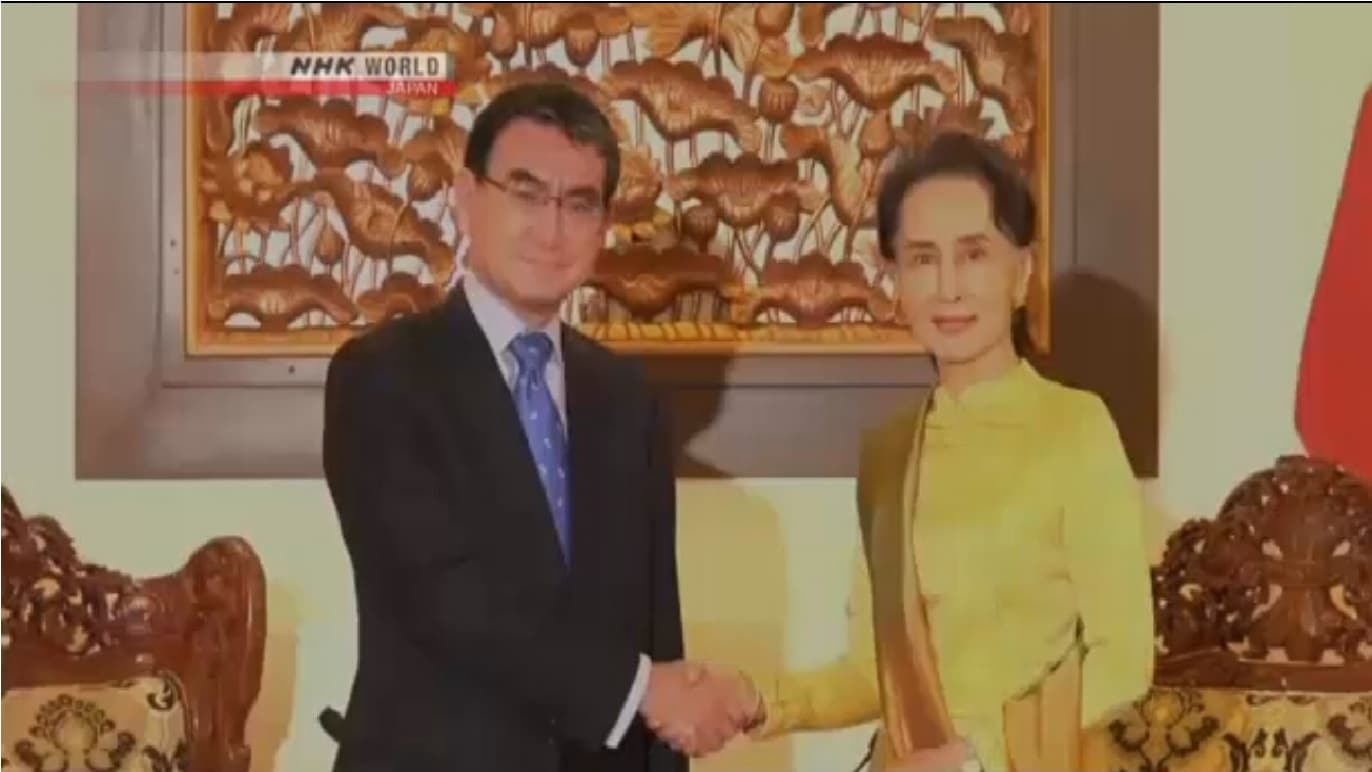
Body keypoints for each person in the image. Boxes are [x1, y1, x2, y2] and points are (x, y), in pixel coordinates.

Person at [322, 81, 748, 772]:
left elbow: (654, 629)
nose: (552, 230)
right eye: (526, 194)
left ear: (603, 226)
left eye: (579, 204)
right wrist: (641, 690)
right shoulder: (383, 377)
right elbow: (445, 597)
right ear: (467, 198)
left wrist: (666, 712)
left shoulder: (629, 399)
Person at [708, 132, 1157, 771]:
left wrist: (978, 759)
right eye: (922, 259)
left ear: (1022, 273)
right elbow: (871, 673)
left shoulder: (1075, 429)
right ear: (894, 281)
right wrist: (762, 701)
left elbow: (1124, 660)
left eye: (973, 254)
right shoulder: (891, 453)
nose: (948, 287)